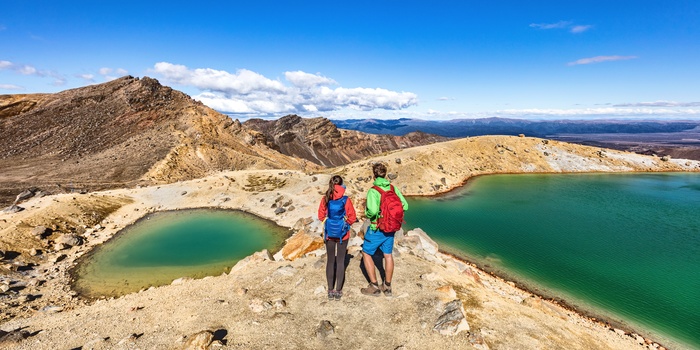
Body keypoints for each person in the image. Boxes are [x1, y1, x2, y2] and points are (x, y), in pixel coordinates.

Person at [361, 163, 408, 297]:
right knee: (388, 255)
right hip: (391, 228)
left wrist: (370, 214)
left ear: (374, 175)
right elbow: (405, 205)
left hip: (377, 228)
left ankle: (374, 286)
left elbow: (373, 211)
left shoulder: (373, 191)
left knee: (366, 253)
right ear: (385, 174)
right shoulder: (393, 188)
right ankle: (387, 287)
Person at [318, 175, 356, 301]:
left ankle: (330, 290)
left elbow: (320, 215)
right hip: (342, 234)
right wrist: (345, 224)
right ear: (341, 185)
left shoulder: (326, 198)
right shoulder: (346, 199)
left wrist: (328, 222)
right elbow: (352, 217)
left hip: (329, 234)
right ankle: (338, 290)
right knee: (340, 261)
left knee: (330, 260)